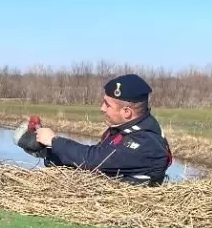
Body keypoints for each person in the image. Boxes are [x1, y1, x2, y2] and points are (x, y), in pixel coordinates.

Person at [32, 73, 172, 185]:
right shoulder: (124, 130)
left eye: (107, 105)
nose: (102, 108)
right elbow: (93, 160)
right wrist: (48, 152)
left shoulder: (145, 142)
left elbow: (94, 161)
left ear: (126, 112)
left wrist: (55, 141)